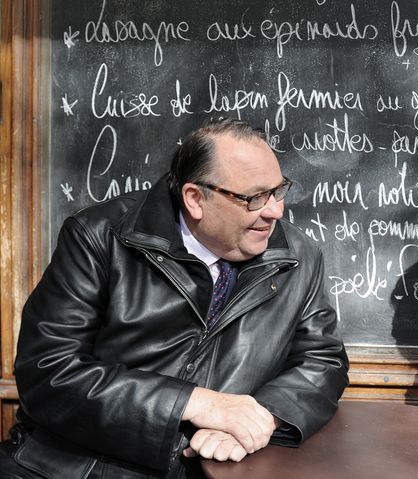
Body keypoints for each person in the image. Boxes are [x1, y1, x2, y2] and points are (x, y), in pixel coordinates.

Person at [3, 118, 349, 478]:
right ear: (195, 199)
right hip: (74, 466)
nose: (275, 210)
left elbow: (323, 361)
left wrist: (260, 418)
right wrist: (195, 402)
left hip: (214, 468)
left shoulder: (298, 256)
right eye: (254, 198)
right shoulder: (101, 237)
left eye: (279, 191)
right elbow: (47, 372)